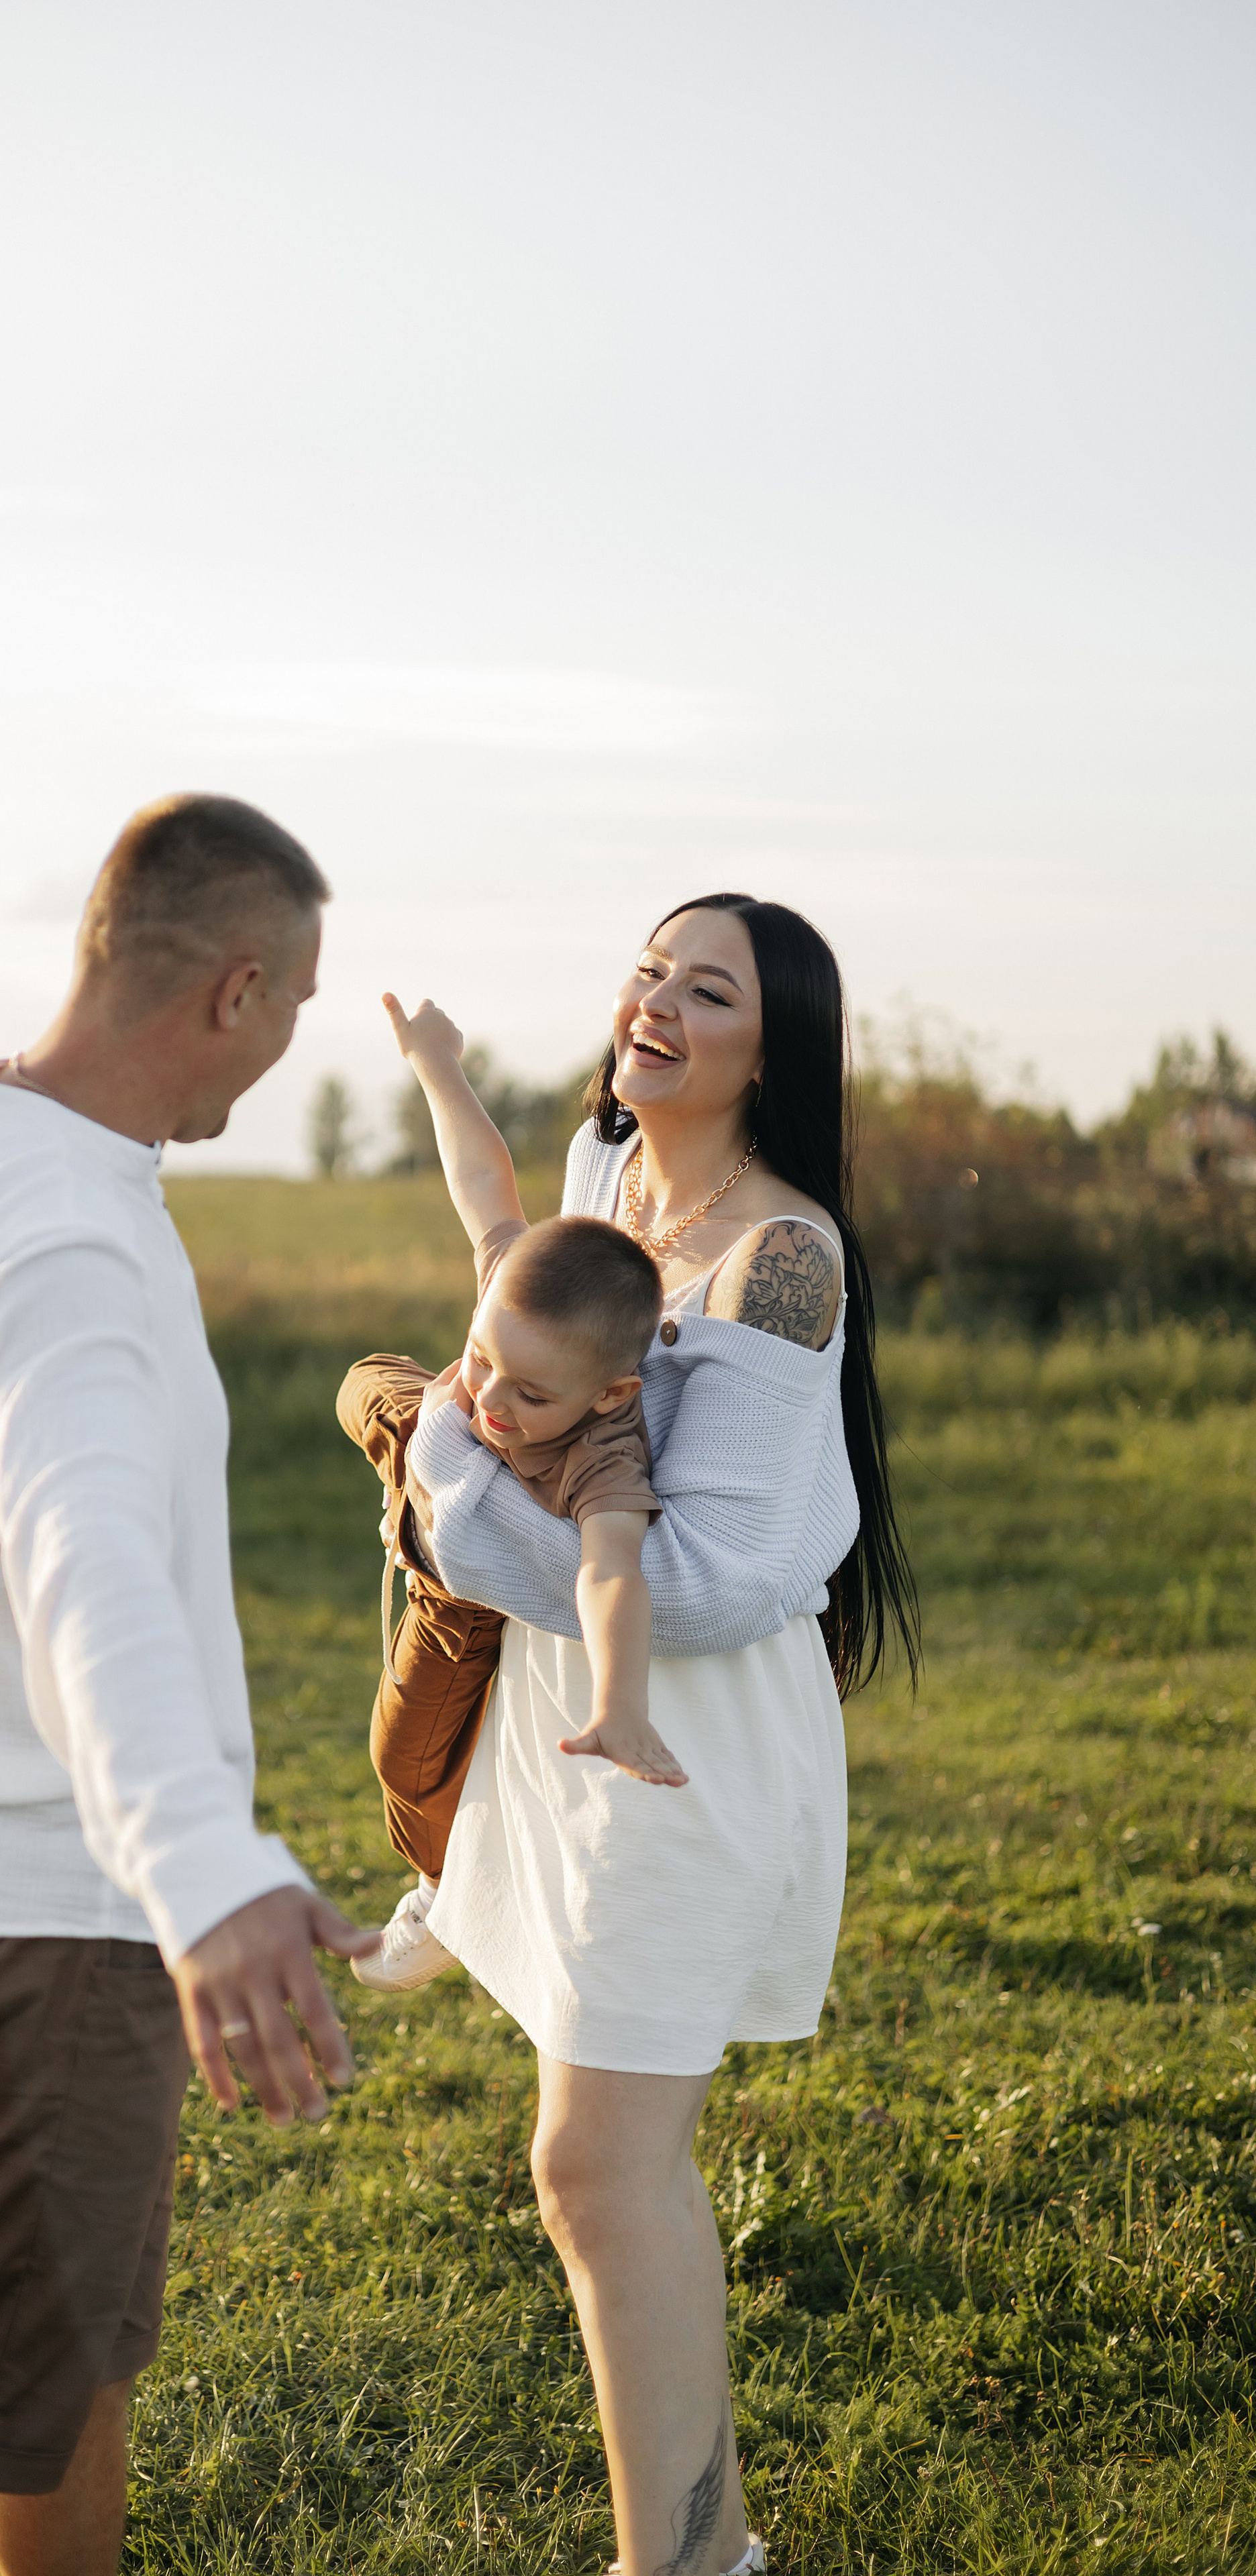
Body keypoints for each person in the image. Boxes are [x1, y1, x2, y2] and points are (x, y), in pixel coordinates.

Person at [0, 795, 378, 2576]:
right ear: (235, 989)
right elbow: (87, 1580)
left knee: (57, 2382)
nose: (285, 1054)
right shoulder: (62, 1241)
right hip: (41, 1922)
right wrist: (206, 1878)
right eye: (293, 1011)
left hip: (43, 1905)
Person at [405, 896, 920, 2576]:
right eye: (648, 969)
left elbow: (703, 1583)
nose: (655, 1004)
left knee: (595, 2163)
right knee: (587, 2164)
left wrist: (443, 1485)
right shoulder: (597, 1170)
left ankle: (688, 2566)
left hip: (677, 1740)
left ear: (772, 1053)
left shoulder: (782, 1260)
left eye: (708, 992)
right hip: (573, 1717)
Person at [337, 993, 678, 1995]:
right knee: (374, 1382)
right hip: (442, 1494)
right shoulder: (516, 1296)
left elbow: (615, 1572)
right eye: (484, 1361)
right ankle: (413, 1469)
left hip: (471, 1594)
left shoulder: (610, 1454)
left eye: (531, 1395)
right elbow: (483, 1180)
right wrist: (438, 1064)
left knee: (404, 1764)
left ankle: (442, 1887)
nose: (489, 1399)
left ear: (611, 1392)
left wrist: (620, 1703)